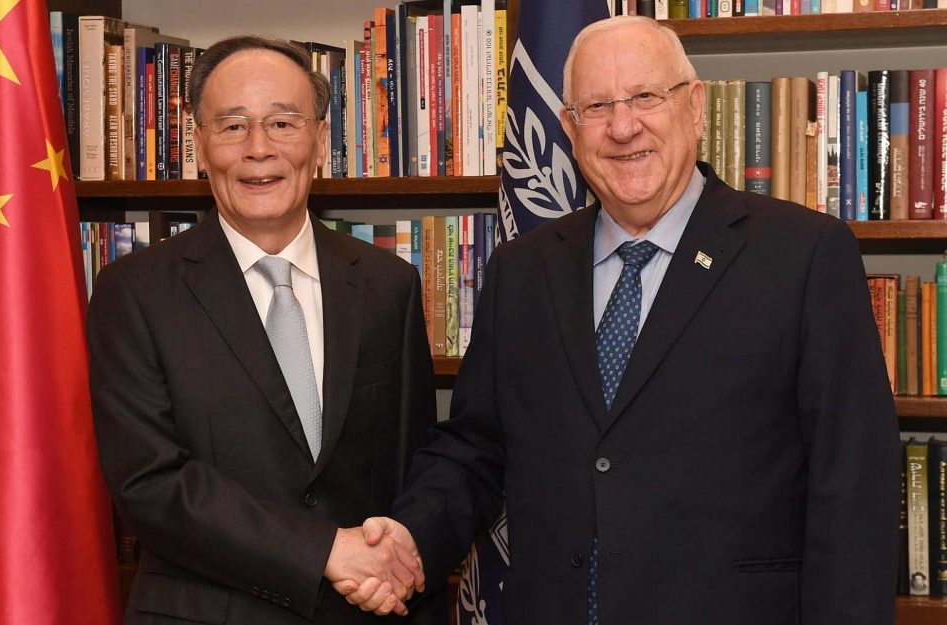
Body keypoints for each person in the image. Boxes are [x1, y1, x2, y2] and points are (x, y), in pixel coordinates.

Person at [341, 15, 900, 625]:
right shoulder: (522, 269)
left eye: (644, 97)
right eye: (597, 106)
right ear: (569, 130)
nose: (623, 126)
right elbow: (477, 447)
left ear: (694, 107)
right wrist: (411, 538)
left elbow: (854, 488)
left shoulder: (804, 254)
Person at [88, 36, 440, 625]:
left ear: (321, 141)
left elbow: (415, 462)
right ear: (199, 145)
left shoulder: (388, 286)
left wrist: (395, 562)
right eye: (231, 127)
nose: (259, 150)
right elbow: (150, 485)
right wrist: (326, 550)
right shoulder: (134, 292)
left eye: (282, 122)